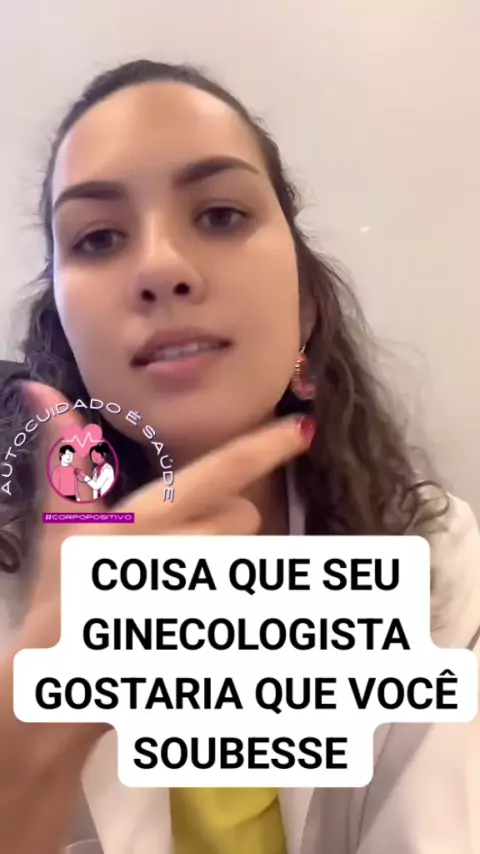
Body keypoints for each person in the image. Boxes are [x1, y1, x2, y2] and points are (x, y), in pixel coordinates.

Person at [0, 59, 478, 854]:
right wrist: (21, 774)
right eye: (99, 238)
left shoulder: (432, 561)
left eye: (220, 215)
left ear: (307, 310)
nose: (160, 267)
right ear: (66, 335)